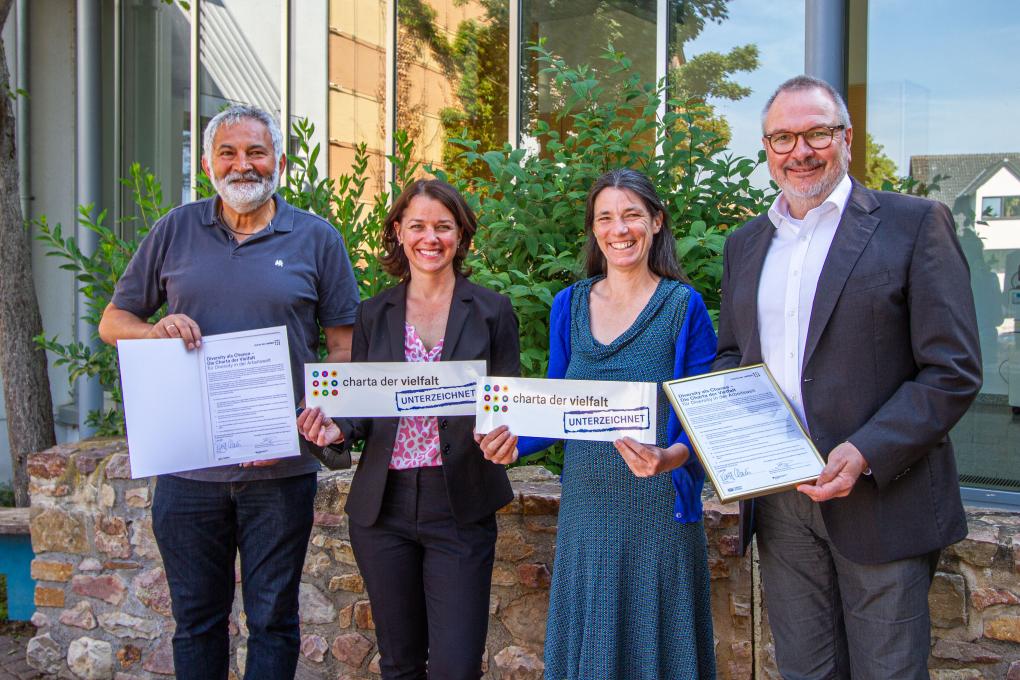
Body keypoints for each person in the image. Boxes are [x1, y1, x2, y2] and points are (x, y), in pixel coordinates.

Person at [713, 75, 982, 679]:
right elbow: (733, 357)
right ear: (766, 148)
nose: (800, 151)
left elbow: (953, 370)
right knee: (805, 671)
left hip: (883, 497)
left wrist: (865, 451)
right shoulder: (746, 243)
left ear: (847, 138)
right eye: (783, 138)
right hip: (781, 503)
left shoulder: (915, 223)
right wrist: (726, 435)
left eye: (817, 133)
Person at [98, 105, 360, 679]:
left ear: (280, 163)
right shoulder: (175, 230)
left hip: (280, 470)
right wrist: (154, 330)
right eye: (229, 153)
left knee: (274, 621)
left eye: (256, 152)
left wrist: (318, 408)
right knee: (196, 622)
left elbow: (344, 346)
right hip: (188, 470)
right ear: (208, 165)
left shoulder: (318, 239)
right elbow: (113, 322)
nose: (243, 165)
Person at [478, 168, 717, 679]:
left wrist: (670, 457)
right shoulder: (569, 305)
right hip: (587, 510)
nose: (619, 229)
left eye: (632, 215)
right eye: (605, 217)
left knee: (658, 653)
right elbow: (559, 405)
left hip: (658, 511)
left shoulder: (683, 307)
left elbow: (703, 415)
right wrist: (513, 442)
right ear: (592, 228)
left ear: (656, 221)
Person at [296, 179, 520, 680]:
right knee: (399, 664)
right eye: (418, 226)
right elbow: (359, 410)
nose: (430, 238)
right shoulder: (373, 313)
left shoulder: (492, 311)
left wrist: (508, 439)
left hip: (460, 503)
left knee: (457, 668)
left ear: (461, 235)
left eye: (444, 226)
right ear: (398, 232)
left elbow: (508, 408)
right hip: (383, 509)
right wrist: (333, 430)